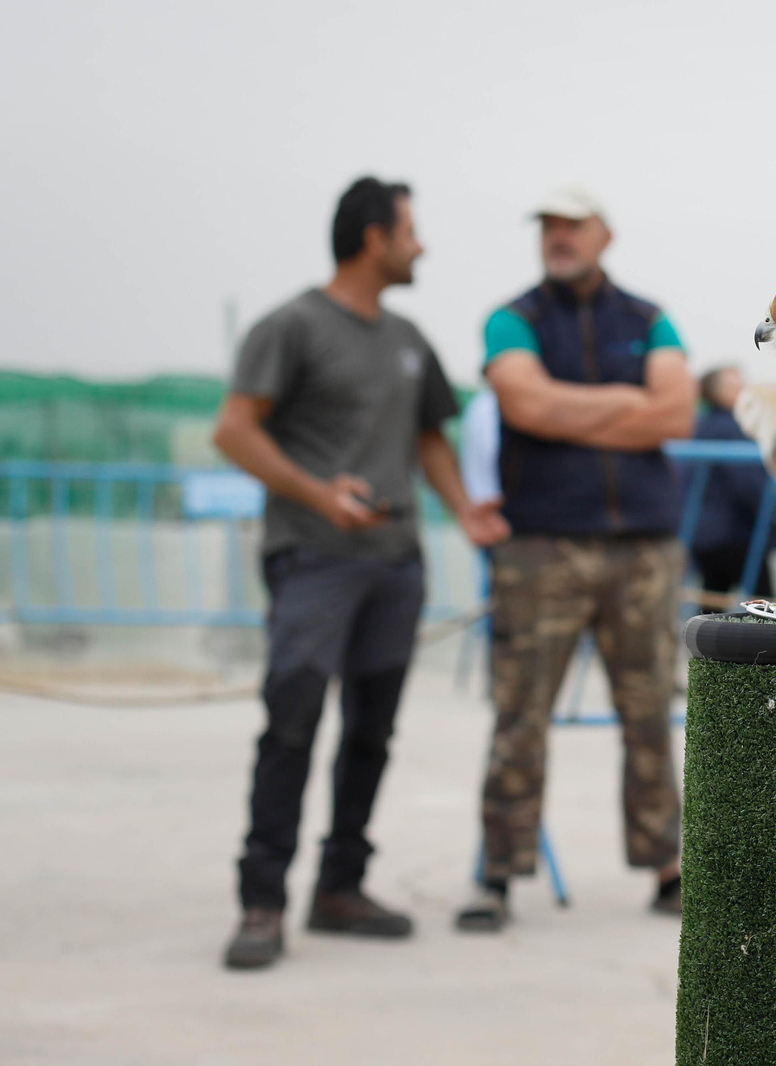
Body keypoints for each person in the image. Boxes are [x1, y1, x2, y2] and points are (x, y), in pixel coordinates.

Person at [212, 177, 508, 970]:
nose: (422, 246)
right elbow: (233, 432)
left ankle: (340, 887)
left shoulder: (409, 338)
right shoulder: (291, 327)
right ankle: (262, 902)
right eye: (411, 231)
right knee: (293, 723)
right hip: (314, 560)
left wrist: (466, 512)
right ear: (373, 238)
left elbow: (430, 443)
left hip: (394, 564)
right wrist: (316, 493)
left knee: (371, 733)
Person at [456, 187, 695, 931]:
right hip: (541, 547)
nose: (559, 237)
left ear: (605, 234)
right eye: (549, 227)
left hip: (642, 550)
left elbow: (677, 412)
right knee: (519, 713)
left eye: (572, 225)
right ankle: (496, 875)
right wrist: (626, 405)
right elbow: (523, 405)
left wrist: (567, 410)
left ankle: (668, 866)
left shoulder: (648, 318)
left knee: (650, 711)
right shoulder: (510, 319)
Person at [687, 366, 776, 608]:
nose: (744, 391)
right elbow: (750, 486)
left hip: (704, 535)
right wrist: (774, 528)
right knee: (767, 607)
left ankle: (705, 645)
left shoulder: (700, 425)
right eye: (736, 386)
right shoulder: (734, 428)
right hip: (739, 535)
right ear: (716, 392)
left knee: (711, 604)